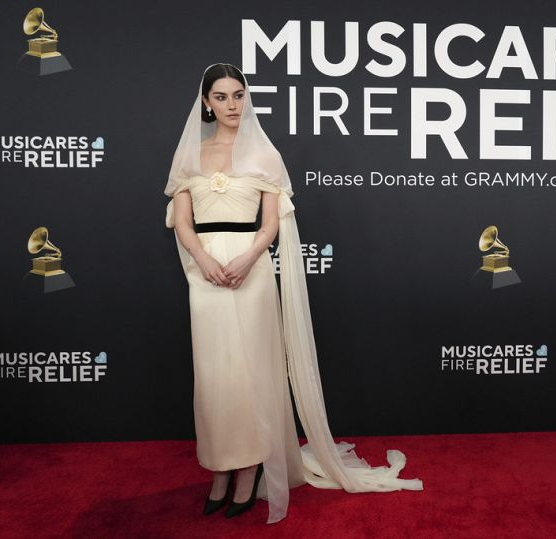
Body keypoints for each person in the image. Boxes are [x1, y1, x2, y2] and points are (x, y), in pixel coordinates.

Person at [164, 62, 422, 523]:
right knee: (215, 376)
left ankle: (250, 469)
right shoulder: (189, 156)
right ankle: (221, 470)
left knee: (254, 374)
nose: (231, 105)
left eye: (238, 95)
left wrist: (245, 259)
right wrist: (204, 261)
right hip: (204, 276)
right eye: (220, 97)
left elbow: (270, 226)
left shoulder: (266, 156)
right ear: (205, 102)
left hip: (252, 270)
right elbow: (182, 222)